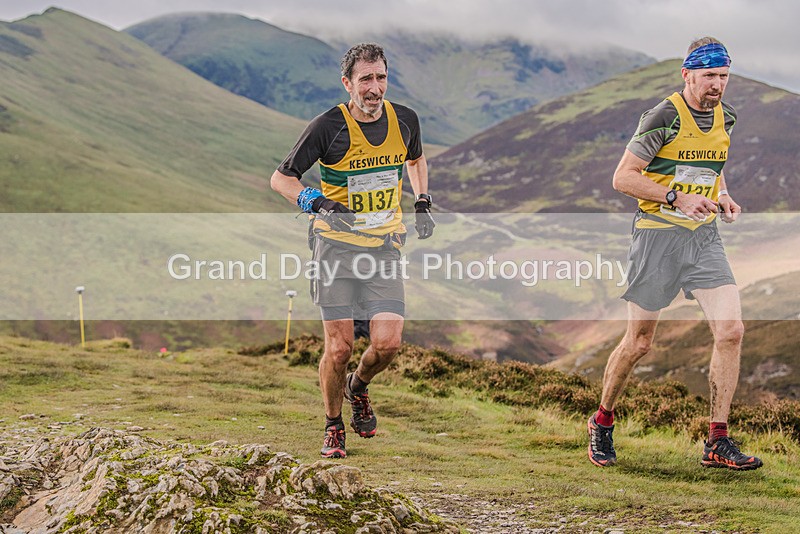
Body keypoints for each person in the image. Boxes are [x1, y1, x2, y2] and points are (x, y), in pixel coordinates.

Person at [587, 37, 763, 471]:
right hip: (657, 236)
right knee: (640, 343)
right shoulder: (664, 115)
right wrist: (675, 197)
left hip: (703, 239)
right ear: (687, 74)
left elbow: (713, 168)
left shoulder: (728, 116)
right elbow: (623, 178)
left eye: (724, 76)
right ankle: (602, 421)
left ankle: (716, 441)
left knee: (732, 331)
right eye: (709, 76)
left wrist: (724, 196)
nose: (717, 85)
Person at [271, 43, 435, 459]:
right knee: (340, 347)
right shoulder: (328, 126)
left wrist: (422, 201)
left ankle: (356, 387)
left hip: (383, 247)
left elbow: (415, 160)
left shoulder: (406, 119)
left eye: (380, 77)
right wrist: (319, 202)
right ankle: (333, 424)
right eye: (365, 79)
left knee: (388, 343)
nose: (374, 87)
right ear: (348, 83)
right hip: (335, 249)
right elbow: (281, 179)